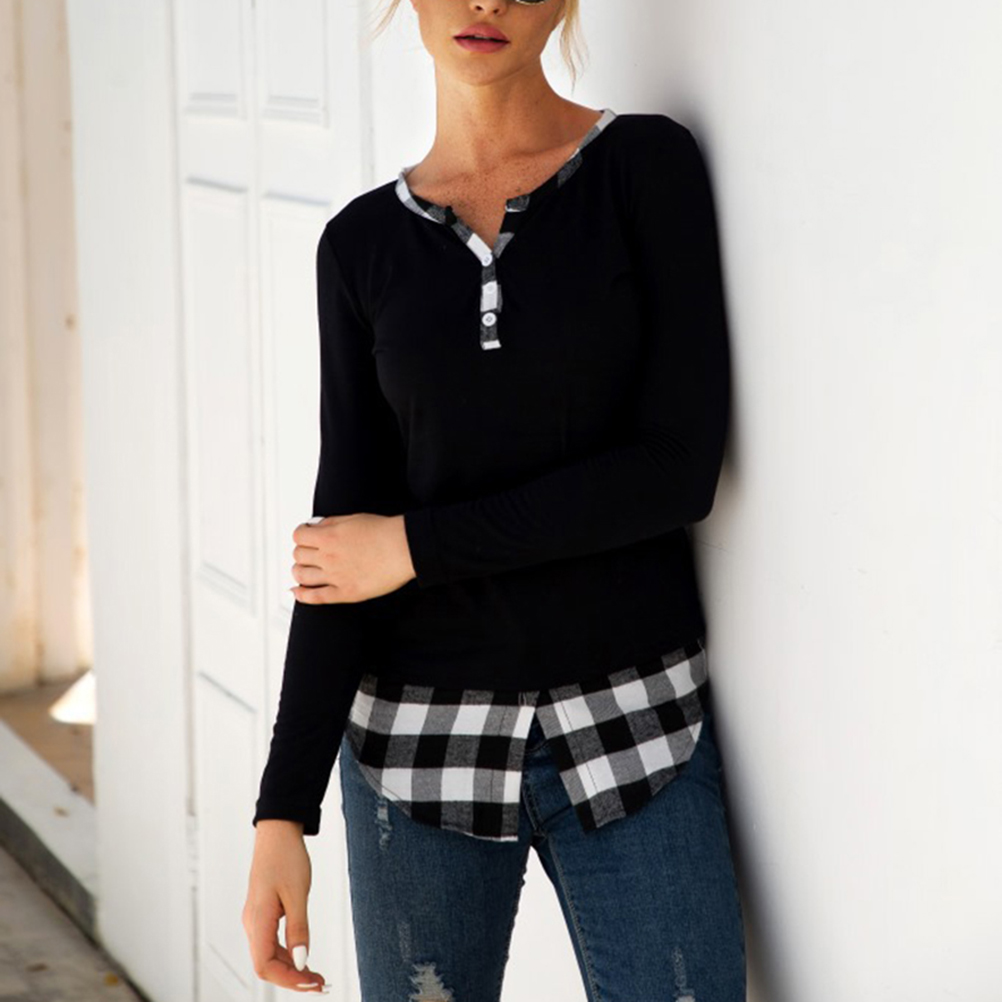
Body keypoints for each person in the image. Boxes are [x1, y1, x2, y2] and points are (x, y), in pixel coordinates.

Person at [242, 0, 746, 999]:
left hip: (637, 728)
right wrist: (280, 814)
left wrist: (416, 548)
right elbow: (343, 543)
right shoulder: (359, 247)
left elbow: (676, 471)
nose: (487, 2)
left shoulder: (644, 170)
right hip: (412, 751)